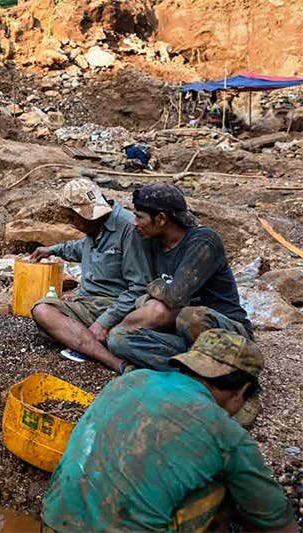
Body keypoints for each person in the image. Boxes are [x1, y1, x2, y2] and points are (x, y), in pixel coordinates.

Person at [42, 329, 295, 533]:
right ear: (242, 391)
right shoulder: (226, 432)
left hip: (54, 520)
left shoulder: (132, 379)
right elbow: (278, 522)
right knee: (224, 486)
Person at [107, 183, 253, 371]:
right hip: (183, 334)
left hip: (226, 331)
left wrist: (153, 289)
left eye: (139, 216)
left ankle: (227, 364)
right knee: (119, 340)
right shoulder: (151, 243)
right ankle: (200, 370)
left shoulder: (203, 241)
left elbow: (175, 297)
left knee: (191, 317)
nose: (135, 223)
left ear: (161, 219)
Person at [30, 179, 150, 374]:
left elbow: (139, 287)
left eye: (74, 218)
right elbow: (79, 248)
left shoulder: (129, 228)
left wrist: (104, 321)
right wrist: (51, 250)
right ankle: (89, 340)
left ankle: (113, 361)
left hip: (116, 307)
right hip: (87, 305)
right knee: (42, 310)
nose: (73, 224)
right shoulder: (94, 229)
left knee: (56, 323)